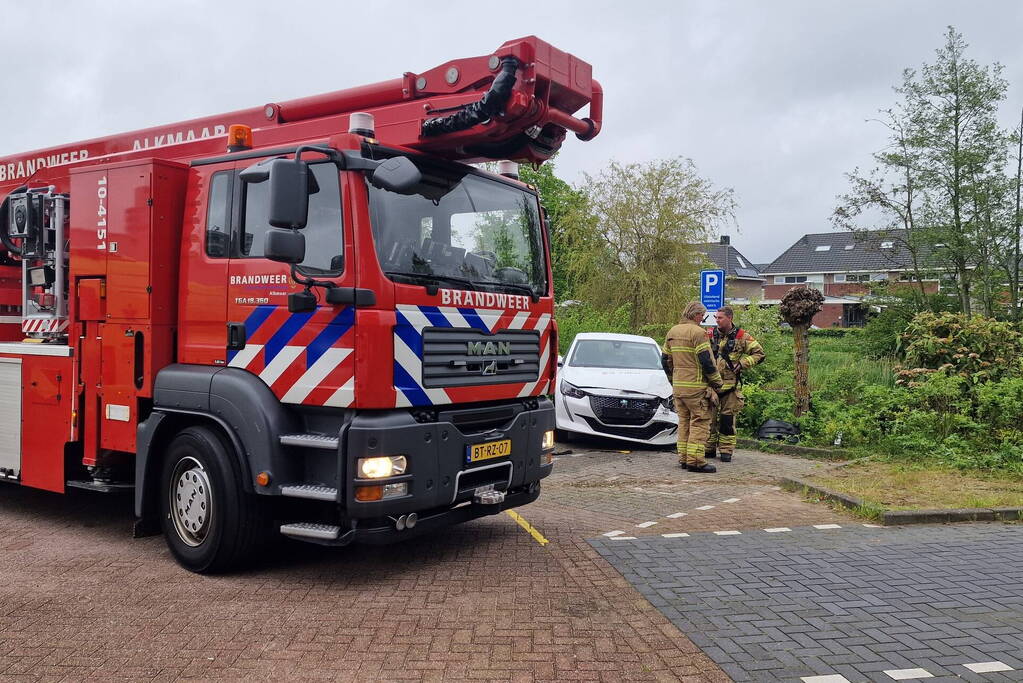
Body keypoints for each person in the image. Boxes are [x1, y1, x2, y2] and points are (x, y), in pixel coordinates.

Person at [662, 302, 724, 473]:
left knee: (684, 422)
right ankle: (696, 461)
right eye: (702, 316)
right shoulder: (698, 333)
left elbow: (665, 360)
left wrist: (673, 379)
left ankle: (684, 458)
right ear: (696, 315)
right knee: (700, 422)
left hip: (679, 388)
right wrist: (717, 382)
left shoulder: (672, 331)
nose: (703, 319)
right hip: (696, 388)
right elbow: (706, 361)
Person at [705, 306, 765, 462]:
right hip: (711, 386)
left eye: (720, 318)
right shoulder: (709, 334)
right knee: (708, 420)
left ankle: (726, 450)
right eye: (716, 317)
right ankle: (708, 449)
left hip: (730, 387)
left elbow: (759, 353)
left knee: (727, 421)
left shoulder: (741, 336)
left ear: (729, 318)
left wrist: (744, 363)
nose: (717, 320)